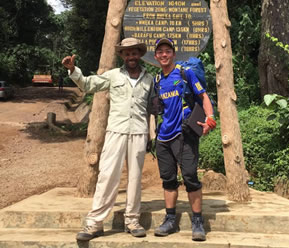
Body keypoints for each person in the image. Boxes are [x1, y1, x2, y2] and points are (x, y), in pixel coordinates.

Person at [62, 38, 154, 241]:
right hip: (116, 131)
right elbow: (87, 84)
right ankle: (94, 223)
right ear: (122, 55)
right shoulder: (112, 76)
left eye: (134, 52)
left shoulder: (149, 79)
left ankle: (132, 220)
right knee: (107, 176)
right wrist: (73, 70)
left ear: (139, 54)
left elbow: (151, 110)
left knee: (135, 179)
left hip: (139, 132)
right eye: (127, 53)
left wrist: (151, 135)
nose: (131, 56)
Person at [152, 38, 216, 241]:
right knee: (168, 179)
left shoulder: (184, 73)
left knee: (190, 176)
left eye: (167, 51)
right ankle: (170, 219)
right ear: (156, 56)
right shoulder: (157, 80)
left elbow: (203, 95)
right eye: (160, 52)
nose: (164, 55)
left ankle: (198, 221)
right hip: (164, 137)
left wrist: (210, 118)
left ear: (173, 53)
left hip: (184, 133)